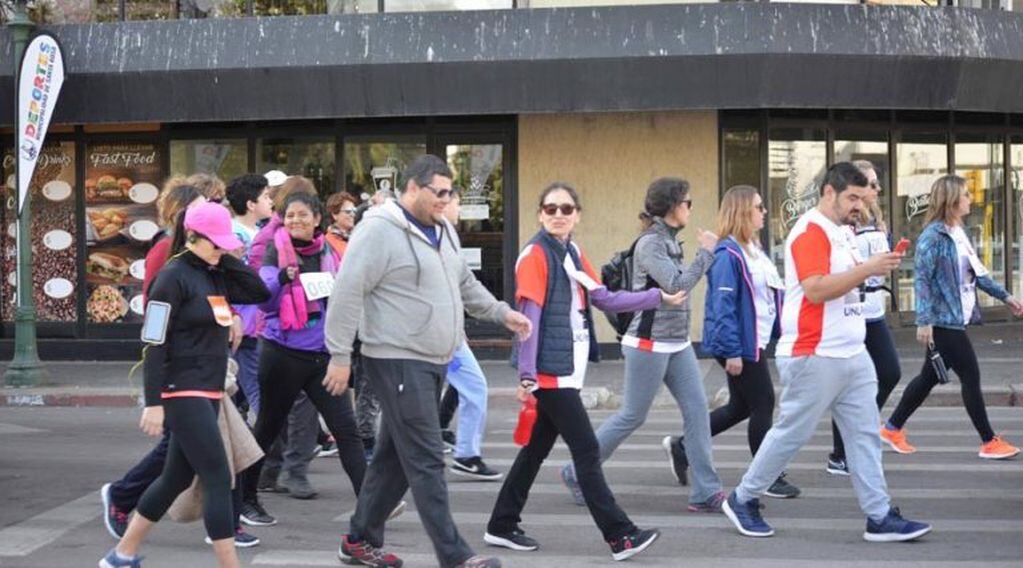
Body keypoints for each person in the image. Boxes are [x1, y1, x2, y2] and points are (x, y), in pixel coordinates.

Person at [324, 154, 532, 568]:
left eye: (450, 193)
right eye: (438, 192)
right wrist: (339, 355)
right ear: (412, 187)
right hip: (395, 358)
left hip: (434, 358)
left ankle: (359, 539)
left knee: (395, 458)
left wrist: (500, 312)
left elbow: (464, 282)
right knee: (426, 457)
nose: (445, 200)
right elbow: (348, 290)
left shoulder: (443, 231)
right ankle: (455, 556)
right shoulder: (378, 231)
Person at [721, 162, 931, 543]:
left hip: (850, 351)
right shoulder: (810, 231)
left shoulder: (842, 232)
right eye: (851, 197)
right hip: (813, 352)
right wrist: (868, 268)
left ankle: (879, 515)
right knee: (791, 434)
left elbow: (846, 284)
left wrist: (872, 270)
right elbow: (816, 289)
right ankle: (743, 498)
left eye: (861, 197)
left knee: (865, 435)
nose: (858, 205)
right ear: (828, 193)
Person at [485, 182, 679, 560]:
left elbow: (603, 297)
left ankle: (501, 524)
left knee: (536, 450)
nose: (559, 214)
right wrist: (526, 373)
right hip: (549, 373)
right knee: (587, 451)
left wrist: (657, 296)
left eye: (567, 209)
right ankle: (621, 535)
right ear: (541, 213)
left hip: (567, 369)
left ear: (577, 215)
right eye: (551, 208)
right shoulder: (535, 255)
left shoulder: (572, 251)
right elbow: (529, 318)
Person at [99, 202, 270, 568]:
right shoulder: (171, 277)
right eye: (215, 243)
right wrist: (153, 402)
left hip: (210, 389)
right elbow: (154, 342)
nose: (222, 249)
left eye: (225, 243)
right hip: (181, 390)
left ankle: (121, 554)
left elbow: (258, 291)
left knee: (175, 477)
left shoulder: (216, 271)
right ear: (192, 236)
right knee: (219, 476)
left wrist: (224, 257)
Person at [560, 177, 730, 513]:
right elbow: (677, 285)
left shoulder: (669, 240)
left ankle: (705, 491)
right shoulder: (651, 244)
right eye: (688, 203)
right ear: (672, 207)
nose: (691, 209)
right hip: (648, 343)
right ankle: (577, 471)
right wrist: (706, 254)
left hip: (677, 343)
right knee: (632, 415)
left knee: (697, 411)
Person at [240, 191, 379, 520]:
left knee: (346, 429)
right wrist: (282, 281)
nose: (295, 221)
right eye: (289, 215)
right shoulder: (276, 250)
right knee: (268, 429)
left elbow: (346, 298)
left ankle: (371, 503)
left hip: (323, 356)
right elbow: (264, 303)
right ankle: (245, 500)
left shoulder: (330, 252)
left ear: (318, 219)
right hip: (282, 353)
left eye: (303, 215)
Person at [882, 175, 1023, 459]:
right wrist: (924, 320)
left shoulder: (958, 232)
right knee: (971, 375)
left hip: (957, 318)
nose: (971, 198)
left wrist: (1006, 297)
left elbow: (978, 273)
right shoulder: (932, 237)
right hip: (944, 320)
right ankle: (988, 441)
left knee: (928, 377)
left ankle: (892, 427)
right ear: (952, 200)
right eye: (966, 194)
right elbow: (922, 279)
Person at [701, 185, 799, 500]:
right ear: (744, 211)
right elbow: (722, 307)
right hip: (740, 344)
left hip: (755, 340)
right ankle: (766, 476)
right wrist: (732, 351)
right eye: (759, 206)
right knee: (763, 403)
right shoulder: (727, 254)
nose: (764, 211)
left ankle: (683, 446)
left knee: (740, 407)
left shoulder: (753, 249)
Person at [826, 161, 902, 475]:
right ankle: (840, 453)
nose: (876, 190)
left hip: (874, 310)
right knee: (848, 384)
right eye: (871, 184)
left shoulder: (878, 220)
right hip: (853, 312)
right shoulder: (846, 222)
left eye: (875, 185)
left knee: (889, 374)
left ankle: (859, 432)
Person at [440, 189, 503, 481]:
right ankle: (463, 453)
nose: (459, 207)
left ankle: (461, 451)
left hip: (448, 333)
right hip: (433, 335)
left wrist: (501, 313)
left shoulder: (447, 236)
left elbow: (463, 285)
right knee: (473, 386)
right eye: (455, 201)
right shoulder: (431, 237)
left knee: (471, 386)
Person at [225, 174, 273, 418]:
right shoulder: (233, 235)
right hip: (244, 319)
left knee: (245, 382)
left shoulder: (260, 230)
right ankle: (272, 442)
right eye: (266, 196)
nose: (270, 201)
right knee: (254, 383)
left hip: (256, 319)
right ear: (251, 204)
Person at [325, 191, 360, 256]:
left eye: (354, 211)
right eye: (348, 211)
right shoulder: (327, 243)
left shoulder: (358, 237)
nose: (352, 214)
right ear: (334, 215)